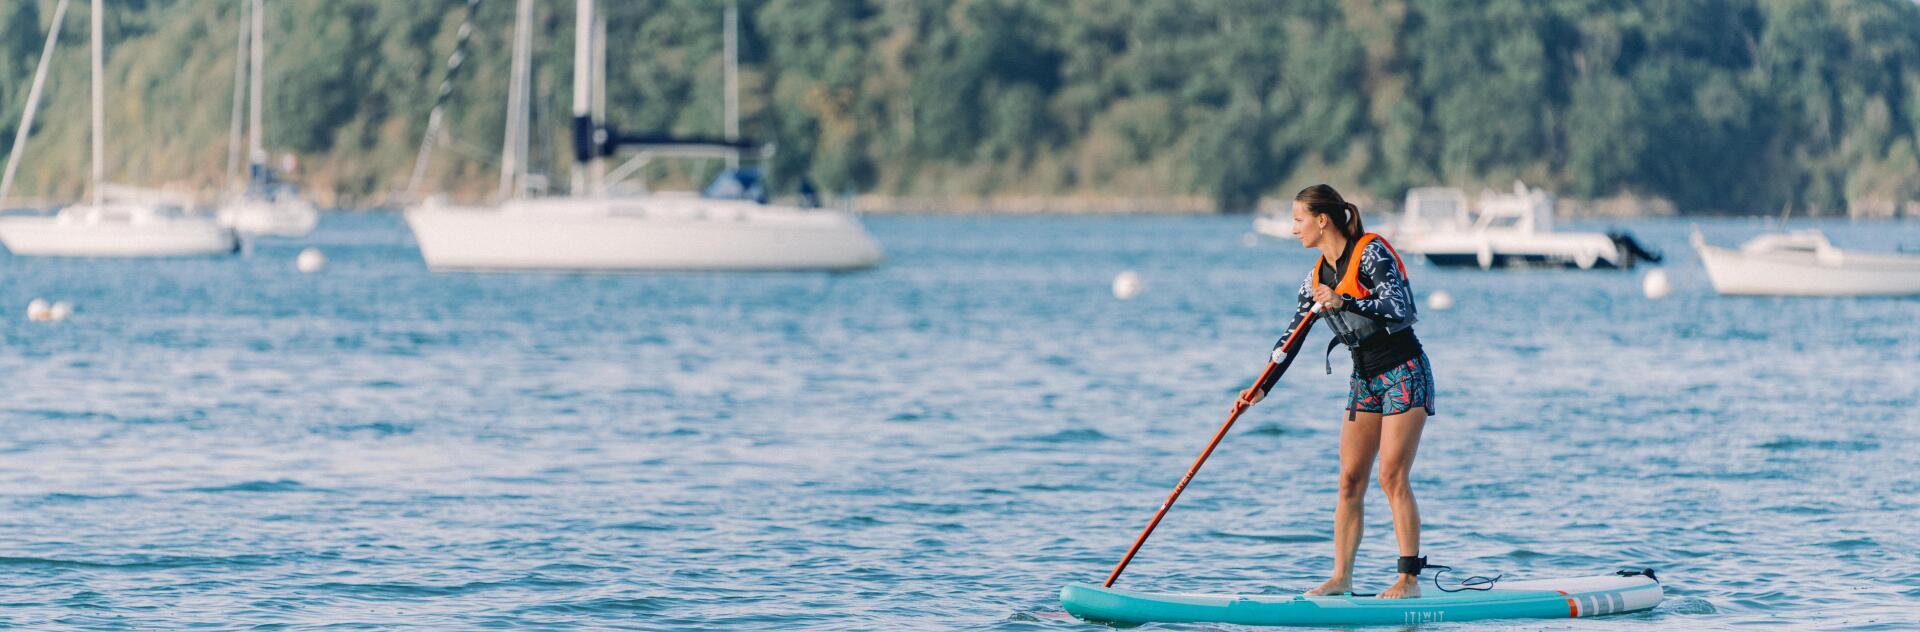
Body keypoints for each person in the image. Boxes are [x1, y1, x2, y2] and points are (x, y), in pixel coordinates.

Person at [1239, 183, 1436, 599]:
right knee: (1349, 480)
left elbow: (1398, 308)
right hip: (1364, 379)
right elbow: (1290, 338)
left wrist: (1343, 299)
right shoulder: (1313, 279)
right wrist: (1260, 389)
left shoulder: (1371, 252)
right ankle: (1341, 577)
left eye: (1298, 220)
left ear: (1322, 219)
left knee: (1392, 476)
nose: (1294, 229)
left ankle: (1409, 579)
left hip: (1404, 371)